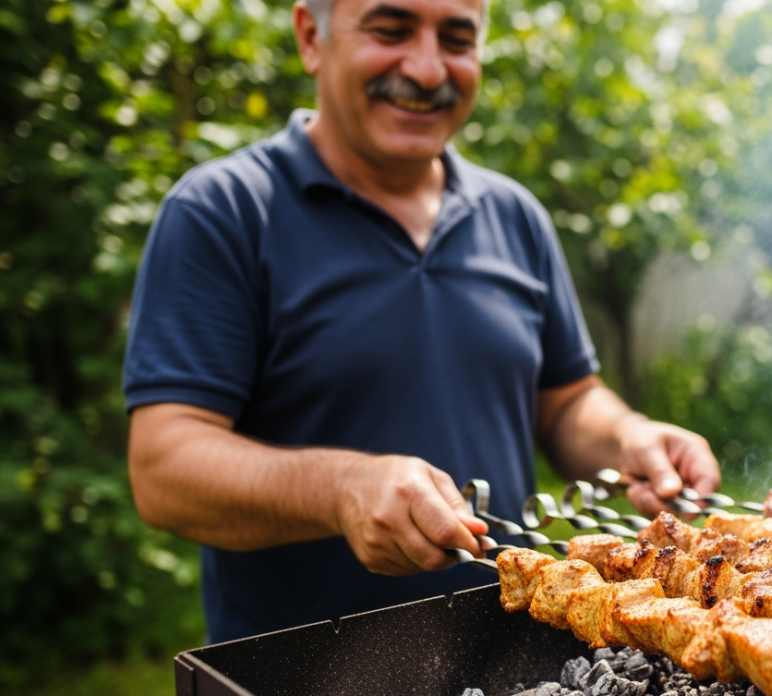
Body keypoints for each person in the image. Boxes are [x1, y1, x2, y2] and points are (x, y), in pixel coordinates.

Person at [123, 0, 720, 644]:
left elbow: (567, 402)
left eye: (457, 38)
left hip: (513, 664)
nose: (429, 68)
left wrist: (630, 437)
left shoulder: (514, 216)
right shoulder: (224, 212)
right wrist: (341, 489)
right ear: (311, 37)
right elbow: (164, 467)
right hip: (301, 672)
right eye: (390, 30)